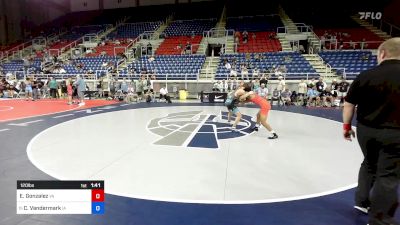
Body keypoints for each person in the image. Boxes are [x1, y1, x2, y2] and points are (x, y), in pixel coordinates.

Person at [343, 38, 400, 225]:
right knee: (388, 174)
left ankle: (361, 201)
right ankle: (380, 220)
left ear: (382, 54)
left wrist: (346, 126)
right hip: (396, 134)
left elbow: (349, 103)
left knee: (368, 163)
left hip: (366, 131)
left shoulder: (365, 75)